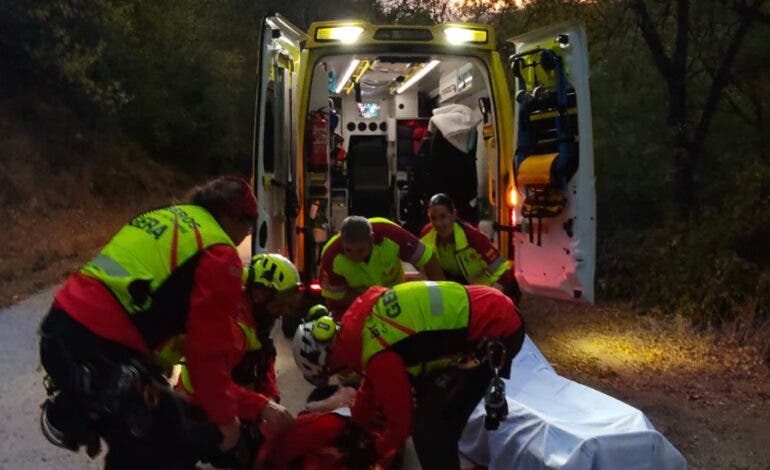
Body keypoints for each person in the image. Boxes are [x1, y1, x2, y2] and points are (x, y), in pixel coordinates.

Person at [38, 176, 291, 469]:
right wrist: (227, 418)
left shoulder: (164, 215)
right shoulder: (220, 254)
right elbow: (206, 354)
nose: (246, 235)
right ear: (233, 217)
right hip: (104, 350)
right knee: (167, 445)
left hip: (61, 332)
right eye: (248, 224)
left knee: (150, 437)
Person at [292, 281, 525, 470]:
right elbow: (372, 384)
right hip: (488, 308)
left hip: (496, 330)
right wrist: (357, 422)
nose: (341, 376)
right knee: (433, 411)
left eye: (332, 372)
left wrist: (375, 451)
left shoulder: (378, 353)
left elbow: (399, 423)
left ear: (329, 360)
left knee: (430, 428)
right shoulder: (361, 320)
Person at [175, 253, 301, 468]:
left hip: (223, 399)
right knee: (244, 452)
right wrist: (262, 406)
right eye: (278, 305)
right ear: (260, 294)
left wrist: (271, 397)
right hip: (197, 408)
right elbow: (208, 385)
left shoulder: (256, 319)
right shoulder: (234, 330)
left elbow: (264, 361)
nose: (280, 313)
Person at [319, 215, 444, 318]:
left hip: (397, 300)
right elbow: (334, 299)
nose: (355, 257)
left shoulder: (392, 234)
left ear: (371, 238)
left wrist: (440, 304)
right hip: (356, 306)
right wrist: (373, 301)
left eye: (361, 250)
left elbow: (428, 259)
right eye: (348, 250)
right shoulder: (330, 256)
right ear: (342, 241)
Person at [421, 193, 521, 303]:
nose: (438, 223)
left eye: (443, 216)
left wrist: (491, 296)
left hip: (487, 287)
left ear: (453, 215)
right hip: (458, 288)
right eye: (433, 218)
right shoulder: (426, 236)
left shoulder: (472, 238)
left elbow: (501, 267)